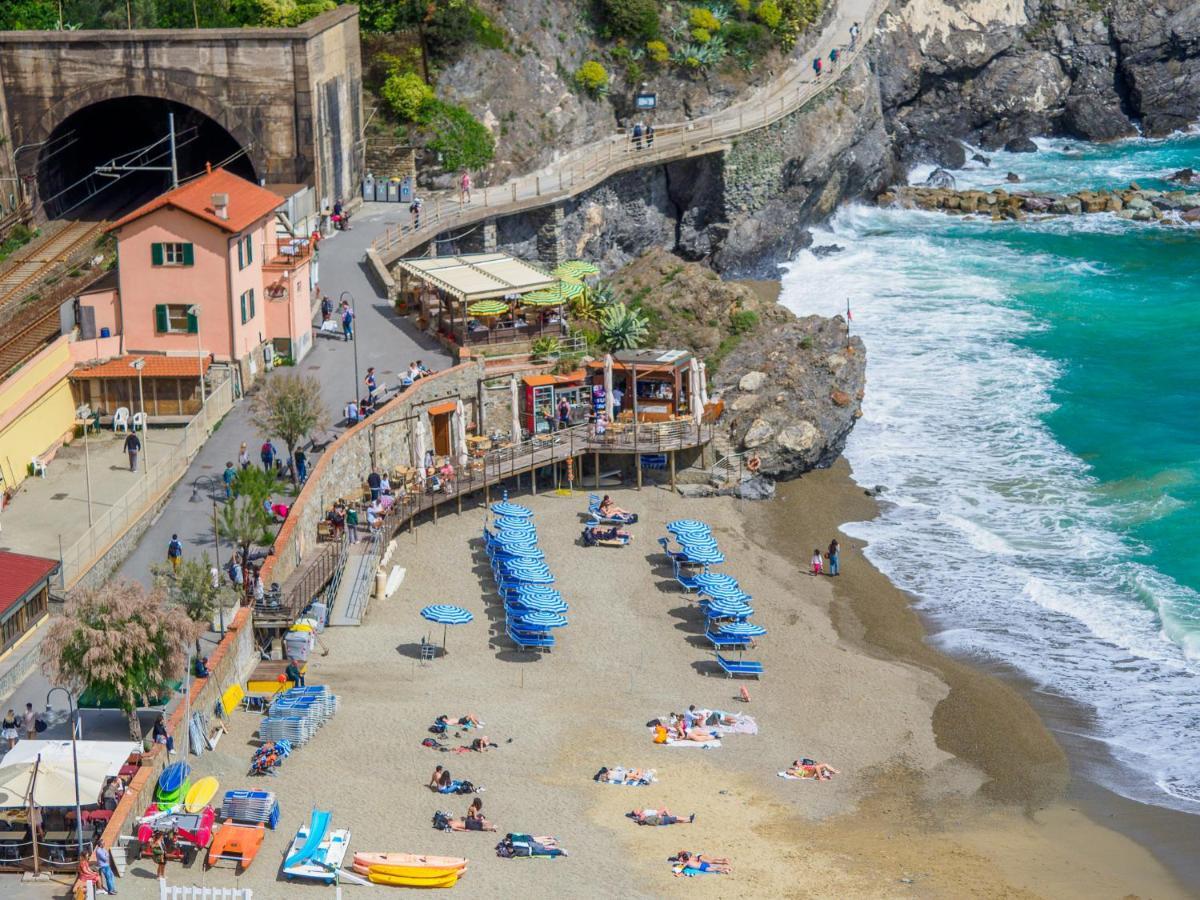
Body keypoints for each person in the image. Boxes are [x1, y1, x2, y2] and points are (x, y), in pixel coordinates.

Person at [629, 808, 694, 826]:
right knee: (676, 817)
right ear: (636, 814)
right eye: (636, 811)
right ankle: (688, 818)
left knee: (675, 820)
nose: (637, 809)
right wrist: (658, 815)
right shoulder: (642, 816)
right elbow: (642, 819)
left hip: (661, 820)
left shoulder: (642, 815)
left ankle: (688, 821)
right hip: (661, 819)